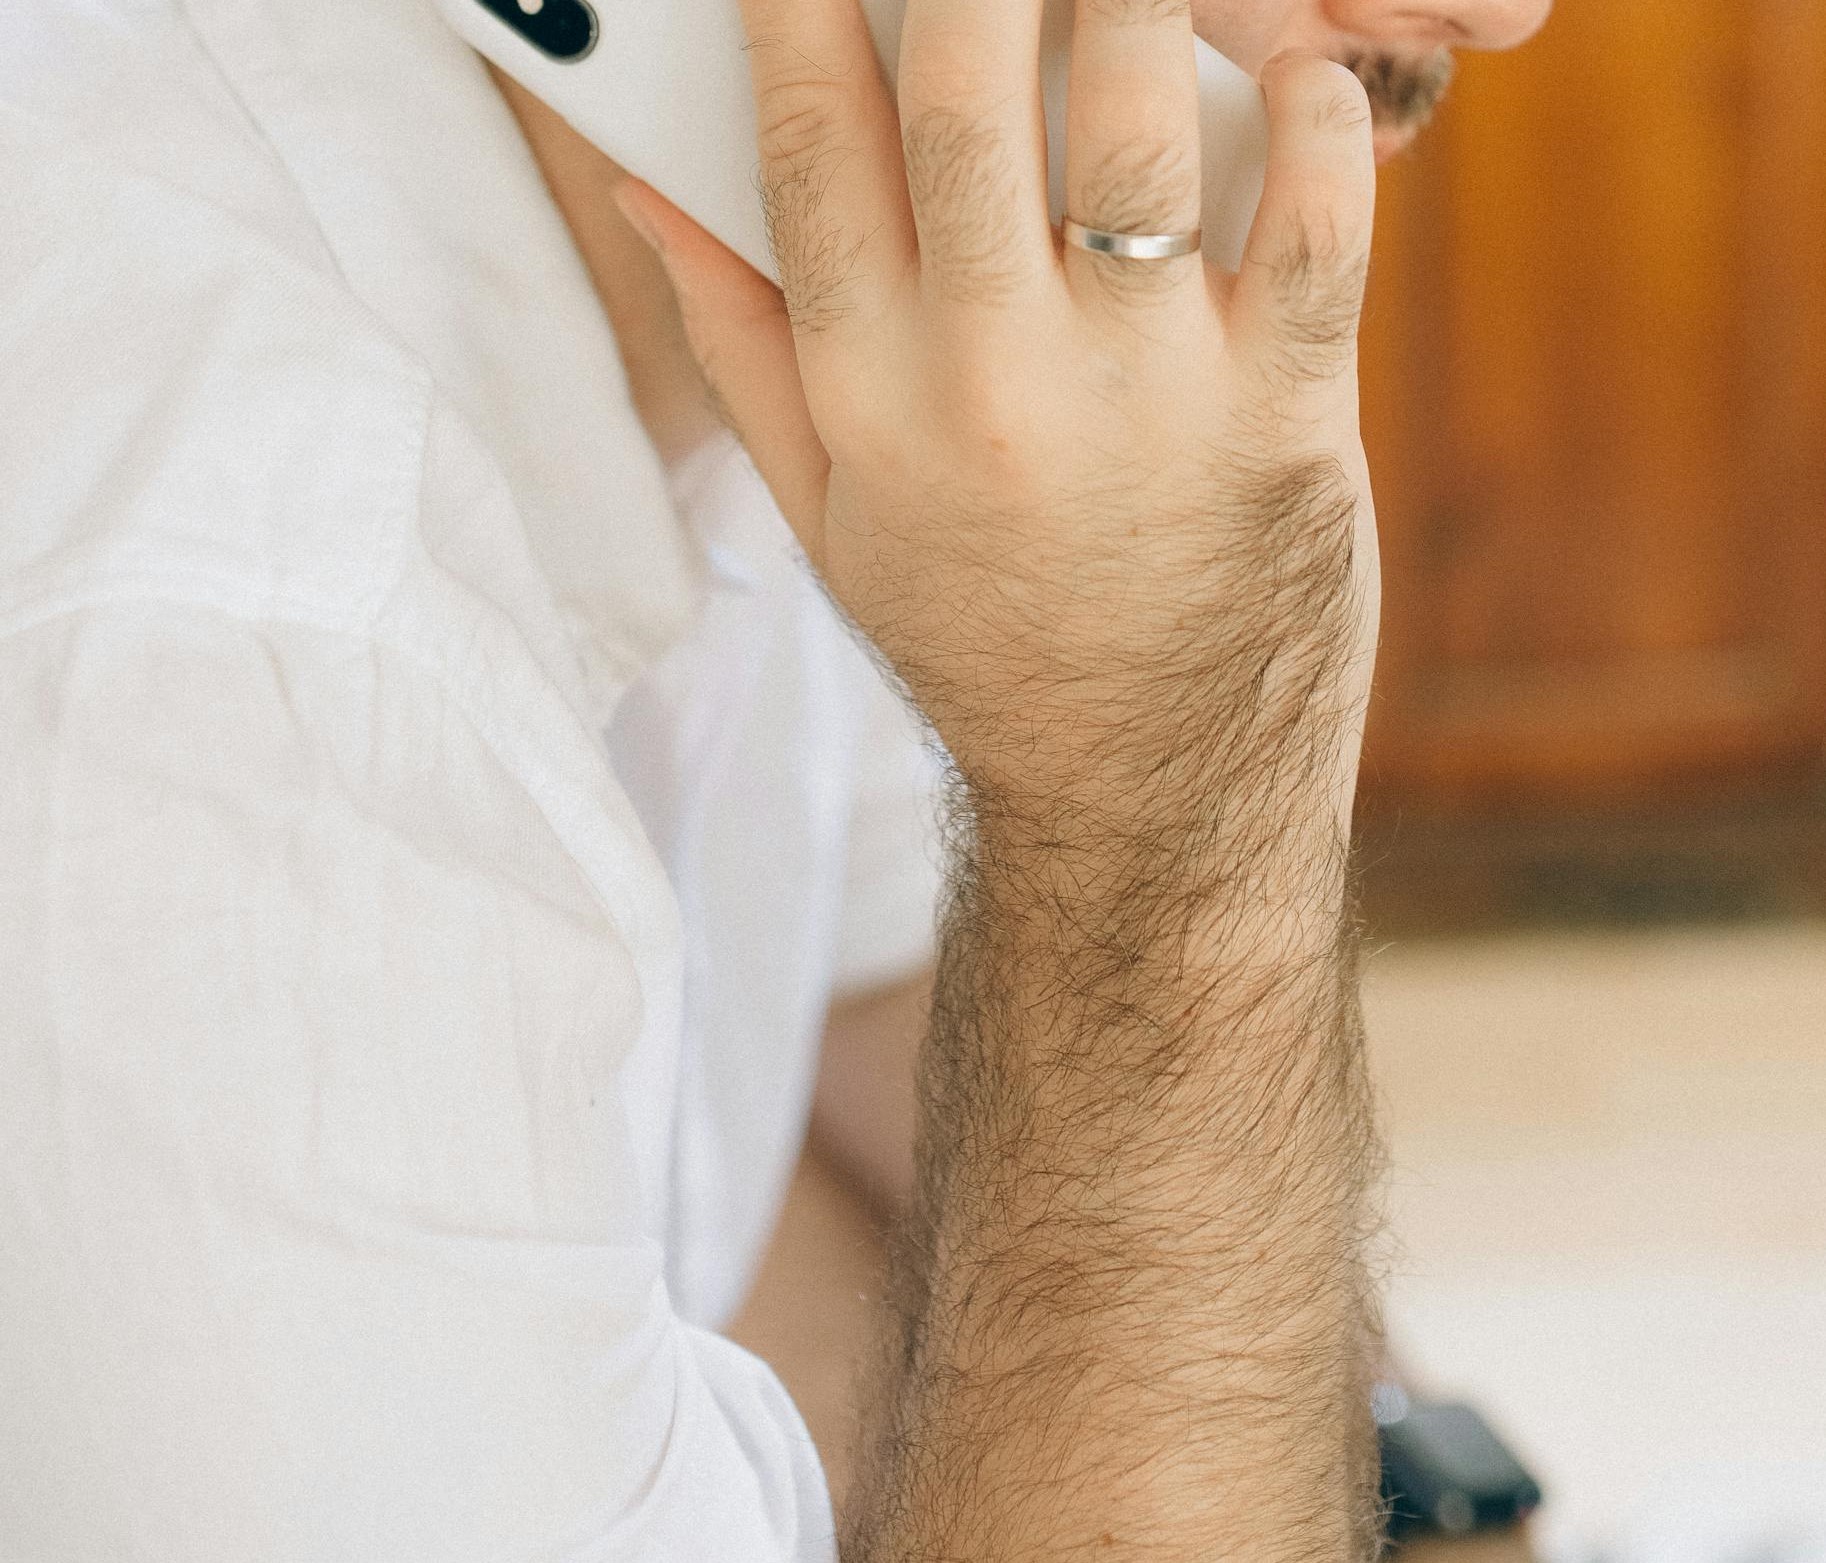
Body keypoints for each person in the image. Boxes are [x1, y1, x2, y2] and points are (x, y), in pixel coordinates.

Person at [0, 0, 1548, 1557]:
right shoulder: (229, 691)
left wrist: (1415, 1471)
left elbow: (852, 1009)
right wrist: (1179, 827)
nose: (1506, 16)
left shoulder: (767, 279)